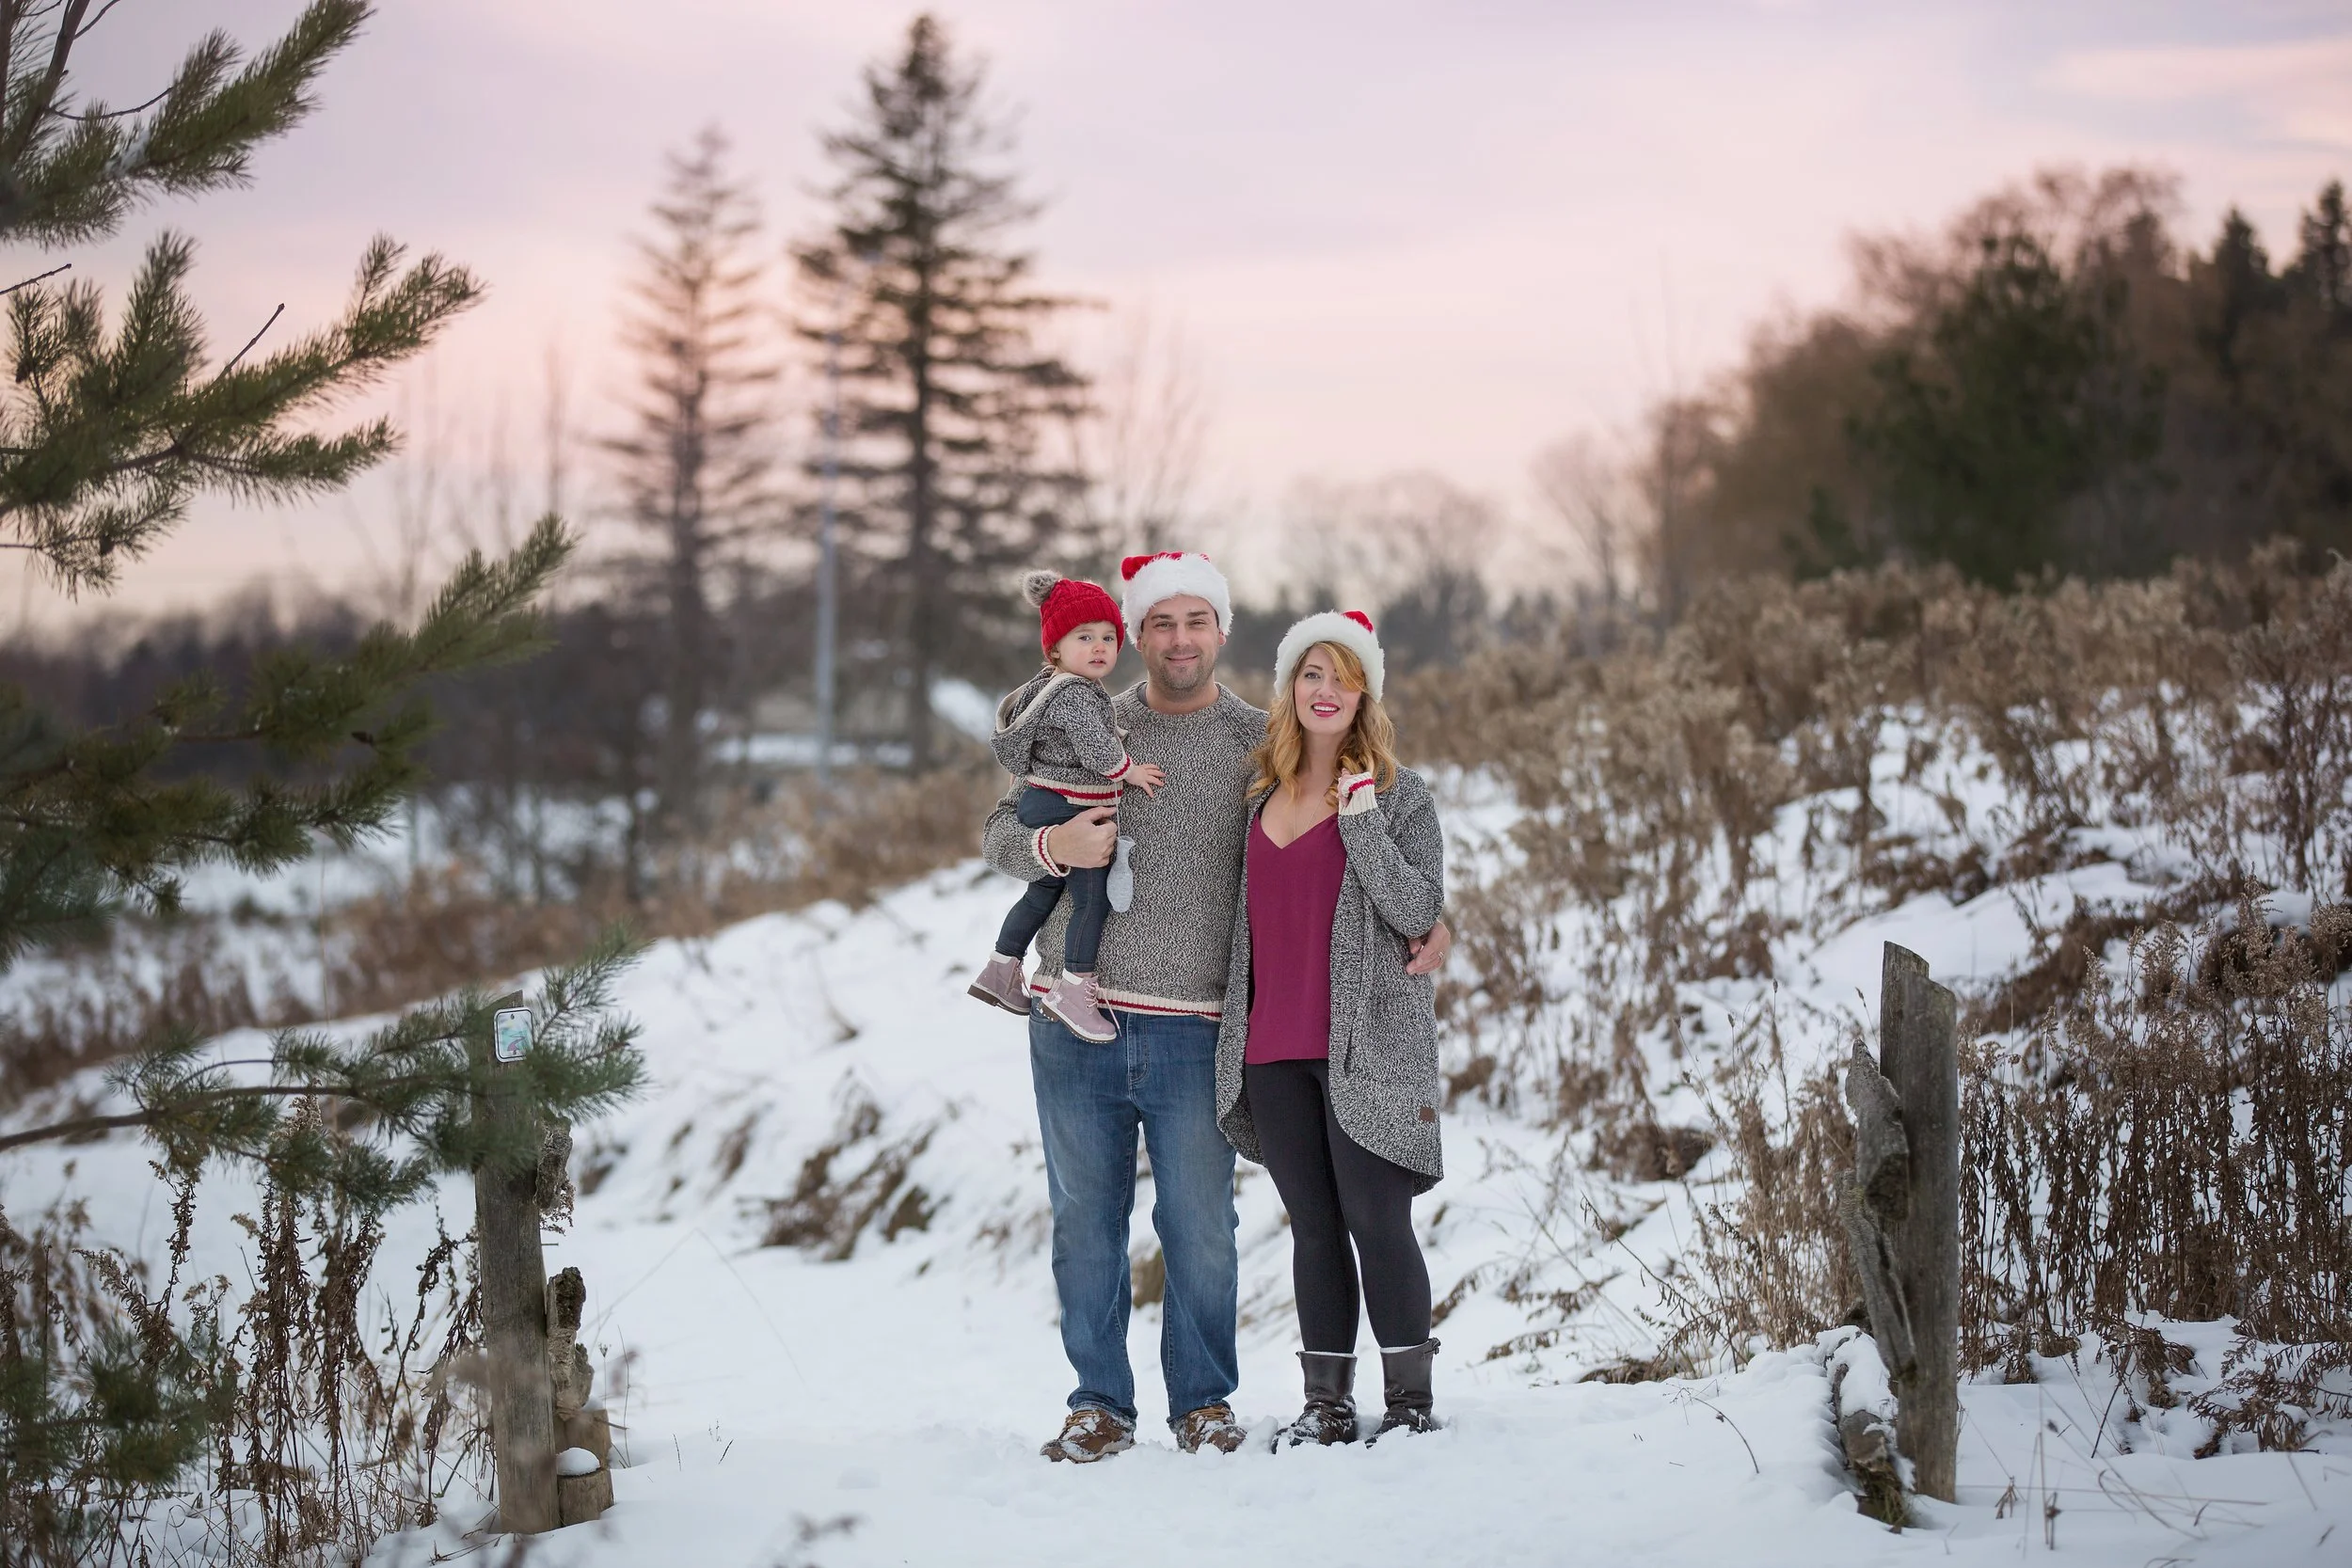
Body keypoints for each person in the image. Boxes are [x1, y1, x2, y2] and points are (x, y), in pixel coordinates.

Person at [978, 551, 1454, 1463]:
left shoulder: (1259, 746)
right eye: (1161, 622)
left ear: (1222, 632)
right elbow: (1002, 827)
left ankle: (1202, 1403)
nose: (1180, 638)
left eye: (1196, 620)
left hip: (1198, 1028)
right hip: (1074, 1018)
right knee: (1085, 1225)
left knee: (1201, 1229)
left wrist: (1434, 920)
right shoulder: (1089, 719)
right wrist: (1051, 843)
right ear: (1135, 633)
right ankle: (1098, 1405)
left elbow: (1330, 851)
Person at [1215, 609, 1446, 1447]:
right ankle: (1328, 1404)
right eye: (1311, 673)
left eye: (1343, 678)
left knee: (1377, 1224)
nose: (1325, 690)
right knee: (1314, 1230)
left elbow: (1418, 908)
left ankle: (1410, 1401)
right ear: (1290, 687)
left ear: (1364, 695)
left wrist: (1361, 822)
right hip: (1271, 1046)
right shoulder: (1257, 797)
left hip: (1369, 1049)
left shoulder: (1400, 796)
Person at [969, 570, 1165, 1042]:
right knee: (1091, 899)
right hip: (1063, 806)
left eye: (1108, 637)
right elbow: (1097, 747)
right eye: (1084, 637)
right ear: (1055, 648)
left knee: (1042, 893)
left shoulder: (1053, 687)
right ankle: (1075, 989)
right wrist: (1130, 772)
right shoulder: (1074, 693)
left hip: (1045, 801)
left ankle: (1001, 967)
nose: (1099, 647)